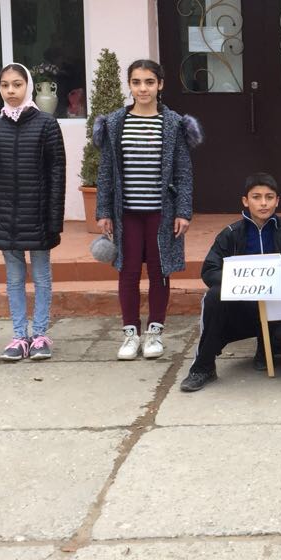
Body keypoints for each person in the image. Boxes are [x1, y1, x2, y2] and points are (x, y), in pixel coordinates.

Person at [94, 58, 200, 361]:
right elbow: (106, 170)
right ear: (129, 85)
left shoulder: (174, 123)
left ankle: (154, 333)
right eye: (137, 82)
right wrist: (104, 210)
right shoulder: (115, 122)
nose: (143, 88)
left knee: (159, 271)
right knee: (127, 271)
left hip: (161, 213)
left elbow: (183, 171)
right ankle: (130, 333)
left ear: (160, 85)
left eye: (149, 82)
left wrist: (183, 211)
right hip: (126, 213)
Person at [180, 173, 281, 392]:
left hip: (278, 308)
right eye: (256, 197)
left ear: (277, 201)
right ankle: (203, 367)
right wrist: (241, 280)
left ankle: (266, 349)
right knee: (213, 296)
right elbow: (210, 269)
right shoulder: (231, 234)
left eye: (269, 197)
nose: (263, 203)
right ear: (245, 201)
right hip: (243, 308)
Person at [0, 64, 66, 361]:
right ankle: (18, 335)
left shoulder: (46, 123)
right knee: (14, 278)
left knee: (41, 276)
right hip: (5, 215)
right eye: (5, 85)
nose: (11, 91)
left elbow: (57, 173)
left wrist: (54, 218)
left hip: (37, 214)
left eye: (17, 84)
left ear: (28, 86)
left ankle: (39, 335)